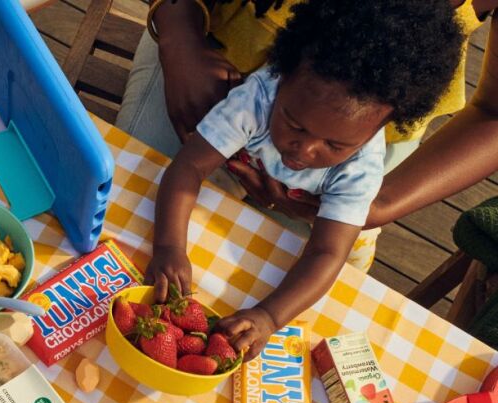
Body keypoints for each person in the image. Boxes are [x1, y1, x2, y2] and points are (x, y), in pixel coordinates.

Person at [148, 0, 463, 360]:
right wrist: (169, 248)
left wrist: (269, 316)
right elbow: (188, 168)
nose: (305, 150)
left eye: (334, 144)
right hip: (245, 166)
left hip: (330, 225)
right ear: (281, 76)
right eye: (295, 124)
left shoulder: (362, 165)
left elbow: (327, 251)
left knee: (337, 292)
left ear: (382, 127)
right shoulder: (258, 96)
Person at [119, 0, 498, 249]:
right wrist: (179, 35)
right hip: (200, 58)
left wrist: (379, 203)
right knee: (126, 221)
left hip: (361, 142)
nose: (303, 149)